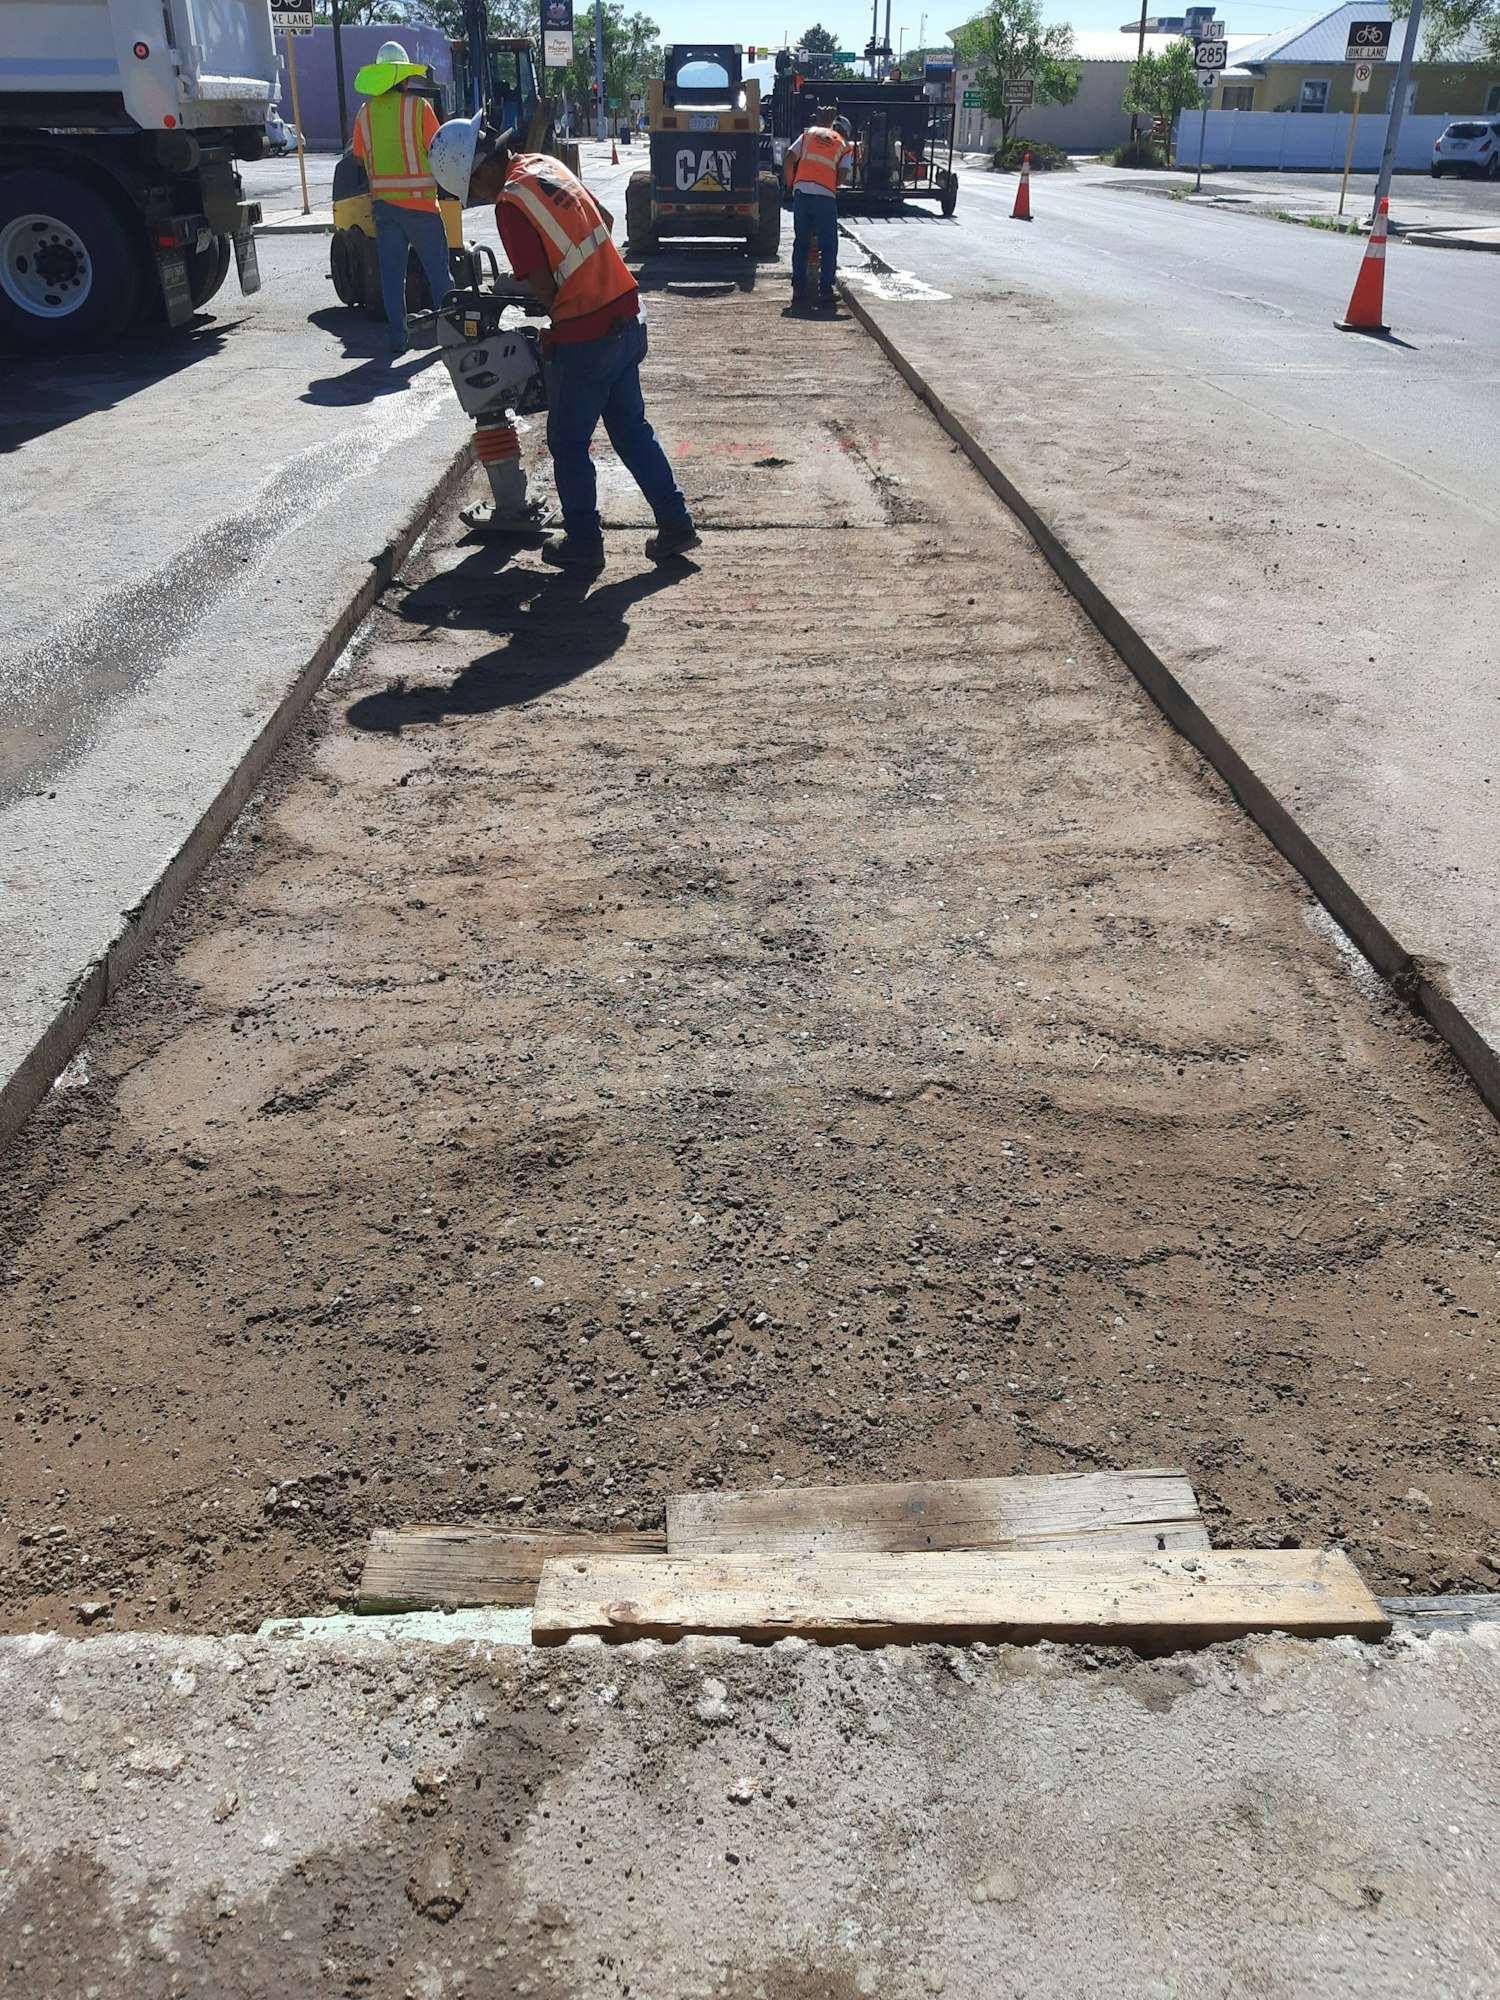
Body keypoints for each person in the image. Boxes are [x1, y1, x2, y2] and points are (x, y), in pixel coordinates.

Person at [429, 116, 698, 571]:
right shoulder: (545, 164)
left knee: (568, 441)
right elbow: (605, 222)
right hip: (626, 313)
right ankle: (676, 523)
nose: (478, 198)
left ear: (480, 171)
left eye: (472, 189)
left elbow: (548, 294)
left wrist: (520, 292)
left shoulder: (510, 204)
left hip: (588, 334)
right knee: (631, 431)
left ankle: (584, 544)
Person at [351, 42, 451, 354]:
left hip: (384, 207)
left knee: (393, 277)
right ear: (404, 79)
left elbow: (357, 157)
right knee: (439, 275)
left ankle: (398, 338)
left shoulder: (364, 114)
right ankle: (451, 335)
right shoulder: (418, 109)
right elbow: (440, 150)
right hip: (421, 206)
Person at [784, 106, 853, 309]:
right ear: (846, 132)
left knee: (801, 244)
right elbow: (841, 175)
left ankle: (799, 290)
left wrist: (790, 184)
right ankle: (825, 292)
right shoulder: (844, 146)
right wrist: (829, 183)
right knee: (828, 246)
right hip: (824, 198)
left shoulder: (810, 133)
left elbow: (789, 157)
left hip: (802, 195)